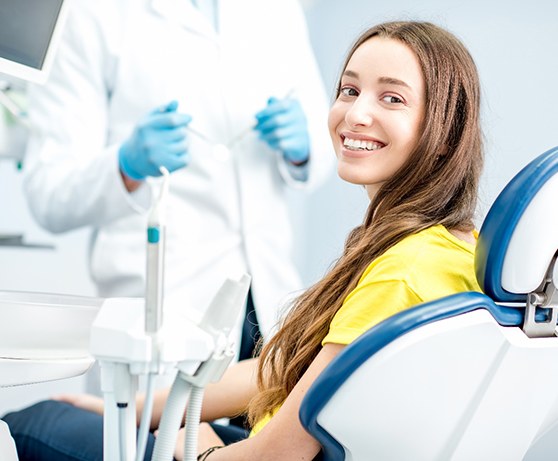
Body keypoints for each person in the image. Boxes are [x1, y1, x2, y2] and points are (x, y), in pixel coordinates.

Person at [4, 20, 484, 460]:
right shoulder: (445, 248)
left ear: (446, 129)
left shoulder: (401, 270)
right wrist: (137, 409)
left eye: (391, 98)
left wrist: (192, 445)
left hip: (255, 403)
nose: (355, 113)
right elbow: (284, 370)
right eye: (348, 90)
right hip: (181, 303)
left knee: (31, 425)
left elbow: (278, 452)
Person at [21, 0, 334, 367]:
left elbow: (324, 141)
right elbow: (50, 191)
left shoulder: (278, 10)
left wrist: (304, 147)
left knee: (264, 416)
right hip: (163, 305)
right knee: (160, 423)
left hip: (268, 300)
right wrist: (126, 165)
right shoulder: (91, 13)